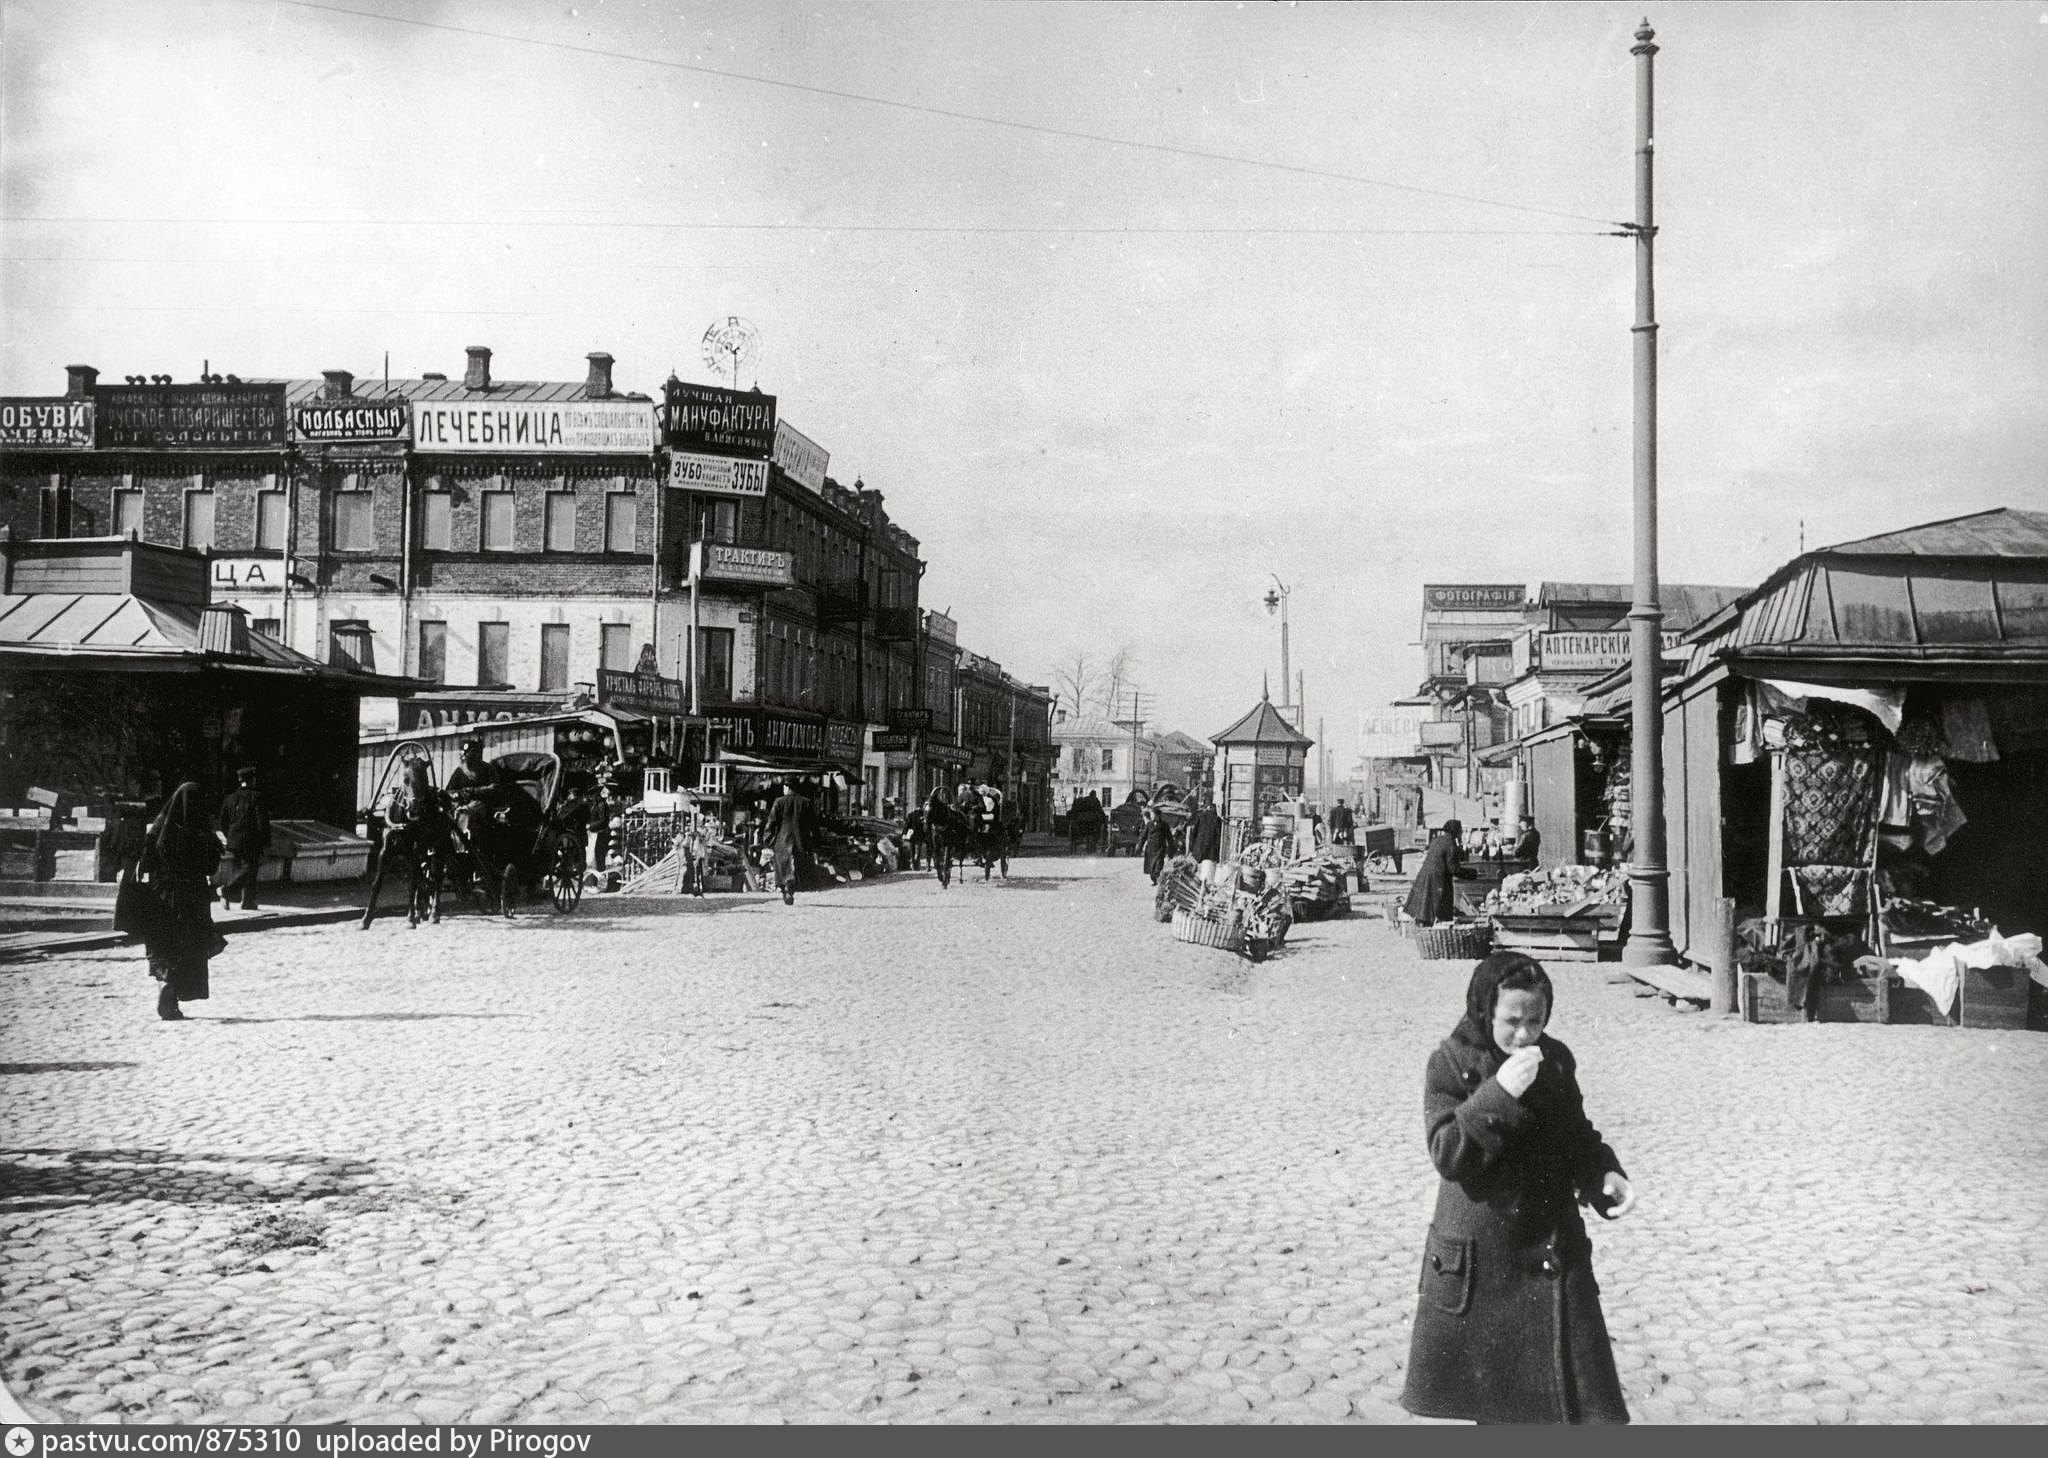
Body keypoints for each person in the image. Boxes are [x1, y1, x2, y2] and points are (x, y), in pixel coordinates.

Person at [1400, 953, 1637, 1425]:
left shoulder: (1556, 1061)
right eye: (1511, 1021)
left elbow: (1575, 1134)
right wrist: (1498, 1095)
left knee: (1572, 1405)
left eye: (1536, 1020)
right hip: (1488, 1256)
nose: (1525, 1034)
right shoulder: (1448, 1062)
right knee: (1500, 1407)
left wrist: (1602, 1174)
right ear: (1485, 1010)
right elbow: (1447, 1153)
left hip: (1551, 1244)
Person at [138, 783, 224, 1022]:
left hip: (161, 893)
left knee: (162, 942)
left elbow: (144, 860)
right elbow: (211, 866)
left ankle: (164, 983)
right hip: (191, 895)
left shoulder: (160, 827)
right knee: (188, 946)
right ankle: (174, 996)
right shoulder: (202, 830)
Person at [215, 766, 270, 912]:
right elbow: (261, 822)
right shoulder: (257, 796)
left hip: (234, 840)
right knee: (250, 869)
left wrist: (230, 835)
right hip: (251, 839)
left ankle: (248, 901)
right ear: (252, 779)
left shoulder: (230, 797)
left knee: (243, 869)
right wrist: (265, 841)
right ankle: (226, 891)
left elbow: (222, 821)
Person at [1403, 820, 1468, 926]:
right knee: (1436, 907)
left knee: (1425, 906)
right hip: (1437, 879)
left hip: (1425, 875)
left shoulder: (1438, 840)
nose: (1461, 832)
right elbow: (1453, 869)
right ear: (1456, 831)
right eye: (1460, 830)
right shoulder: (1450, 844)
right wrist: (1472, 874)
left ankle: (1425, 925)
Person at [763, 778, 816, 905]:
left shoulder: (779, 802)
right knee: (797, 867)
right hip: (801, 841)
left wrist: (768, 840)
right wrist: (816, 841)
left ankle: (785, 889)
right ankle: (790, 889)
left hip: (782, 841)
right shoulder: (806, 802)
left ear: (787, 788)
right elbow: (813, 824)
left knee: (781, 868)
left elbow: (771, 823)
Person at [1184, 794, 1223, 883]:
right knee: (1208, 875)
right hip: (1211, 852)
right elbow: (1218, 837)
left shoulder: (1200, 816)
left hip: (1198, 851)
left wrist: (1192, 848)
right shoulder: (1217, 819)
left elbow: (1194, 834)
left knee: (1198, 874)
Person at [1140, 804, 1173, 885]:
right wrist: (1139, 846)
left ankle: (1158, 878)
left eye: (1152, 814)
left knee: (1158, 865)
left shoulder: (1164, 825)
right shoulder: (1149, 825)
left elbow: (1169, 837)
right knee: (1151, 867)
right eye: (1151, 814)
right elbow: (1143, 836)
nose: (1151, 816)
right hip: (1150, 849)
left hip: (1160, 848)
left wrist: (1171, 848)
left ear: (1157, 815)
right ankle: (1154, 879)